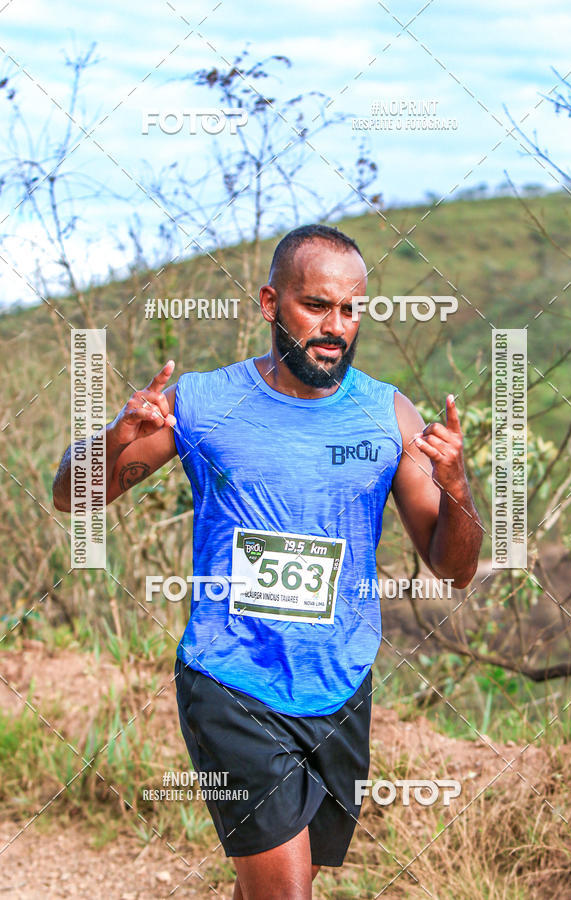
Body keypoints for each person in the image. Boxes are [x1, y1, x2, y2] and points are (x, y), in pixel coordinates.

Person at [53, 223, 482, 900]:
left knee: (280, 881)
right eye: (316, 304)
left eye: (350, 309)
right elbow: (70, 498)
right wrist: (114, 442)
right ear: (268, 303)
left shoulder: (389, 416)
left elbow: (453, 568)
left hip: (338, 685)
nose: (335, 326)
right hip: (231, 680)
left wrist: (458, 490)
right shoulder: (203, 402)